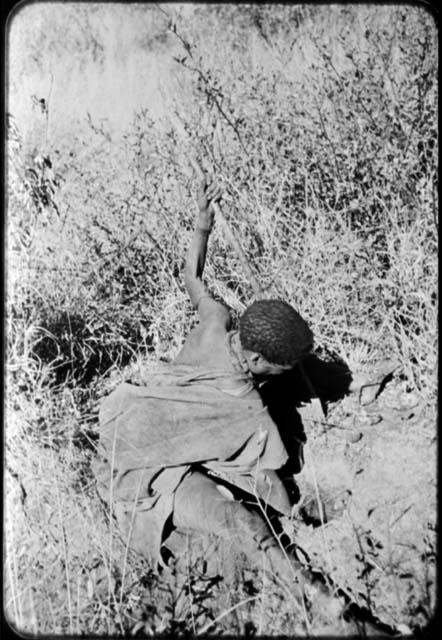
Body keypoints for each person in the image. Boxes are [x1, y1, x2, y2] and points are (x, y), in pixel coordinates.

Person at [93, 176, 395, 634]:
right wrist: (297, 509)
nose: (285, 373)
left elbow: (192, 277)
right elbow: (268, 482)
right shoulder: (246, 408)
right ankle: (326, 607)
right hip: (142, 475)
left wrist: (202, 226)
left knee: (234, 506)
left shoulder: (218, 320)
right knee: (240, 519)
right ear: (255, 360)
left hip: (123, 422)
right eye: (280, 367)